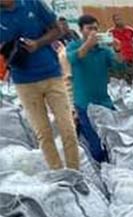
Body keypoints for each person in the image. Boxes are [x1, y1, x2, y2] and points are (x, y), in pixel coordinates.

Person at [0, 0, 80, 170]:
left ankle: (74, 172)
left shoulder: (33, 3)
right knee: (43, 133)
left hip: (51, 75)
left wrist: (38, 43)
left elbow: (57, 30)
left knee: (68, 129)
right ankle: (57, 173)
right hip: (24, 82)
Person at [67, 14, 119, 163]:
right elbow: (74, 58)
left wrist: (118, 50)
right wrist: (88, 44)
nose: (94, 32)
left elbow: (119, 67)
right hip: (84, 103)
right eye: (90, 29)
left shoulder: (103, 50)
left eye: (96, 28)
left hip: (104, 101)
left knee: (114, 138)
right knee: (96, 146)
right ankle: (100, 169)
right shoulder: (74, 46)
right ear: (81, 30)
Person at [108, 14, 133, 82]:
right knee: (122, 78)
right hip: (119, 58)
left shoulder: (129, 29)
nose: (119, 21)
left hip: (131, 56)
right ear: (114, 21)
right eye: (117, 20)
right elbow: (107, 41)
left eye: (120, 19)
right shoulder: (111, 31)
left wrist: (132, 41)